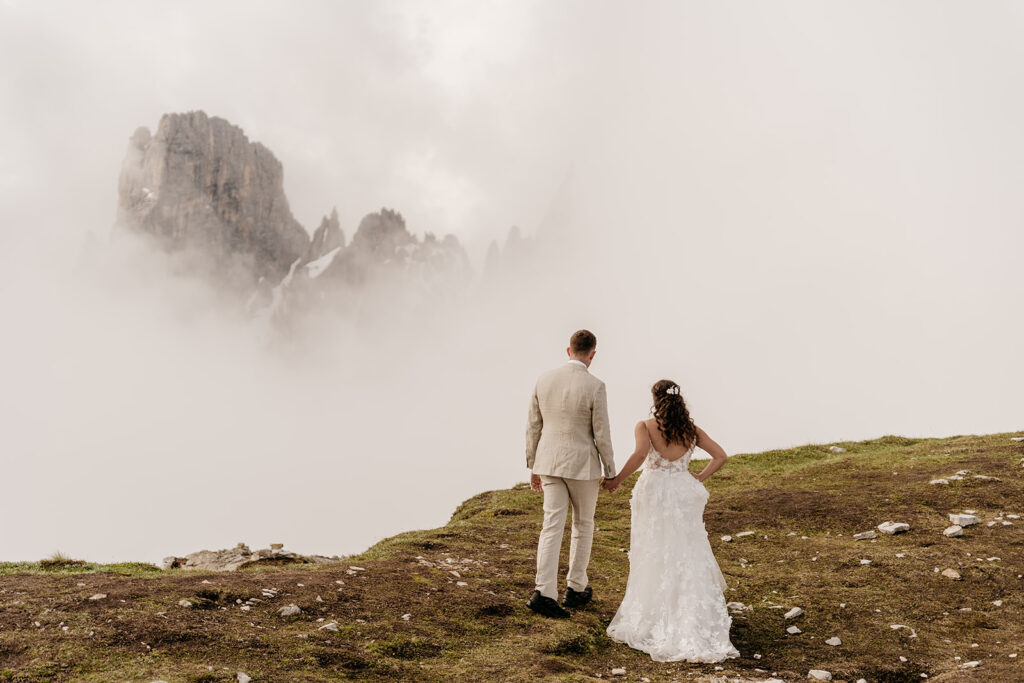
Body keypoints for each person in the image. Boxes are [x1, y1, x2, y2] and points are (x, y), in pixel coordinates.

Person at [603, 379, 739, 662]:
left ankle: (654, 611)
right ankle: (693, 611)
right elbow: (721, 455)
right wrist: (699, 477)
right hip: (682, 490)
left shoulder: (645, 426)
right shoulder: (691, 430)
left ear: (655, 398)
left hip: (654, 491)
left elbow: (641, 455)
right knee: (687, 549)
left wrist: (617, 480)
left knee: (654, 548)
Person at [524, 329, 617, 619]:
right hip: (582, 465)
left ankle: (544, 591)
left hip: (549, 461)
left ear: (568, 350)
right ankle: (576, 588)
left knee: (551, 524)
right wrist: (611, 470)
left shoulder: (544, 379)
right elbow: (601, 433)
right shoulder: (595, 386)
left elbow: (533, 425)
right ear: (592, 354)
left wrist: (533, 464)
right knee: (583, 524)